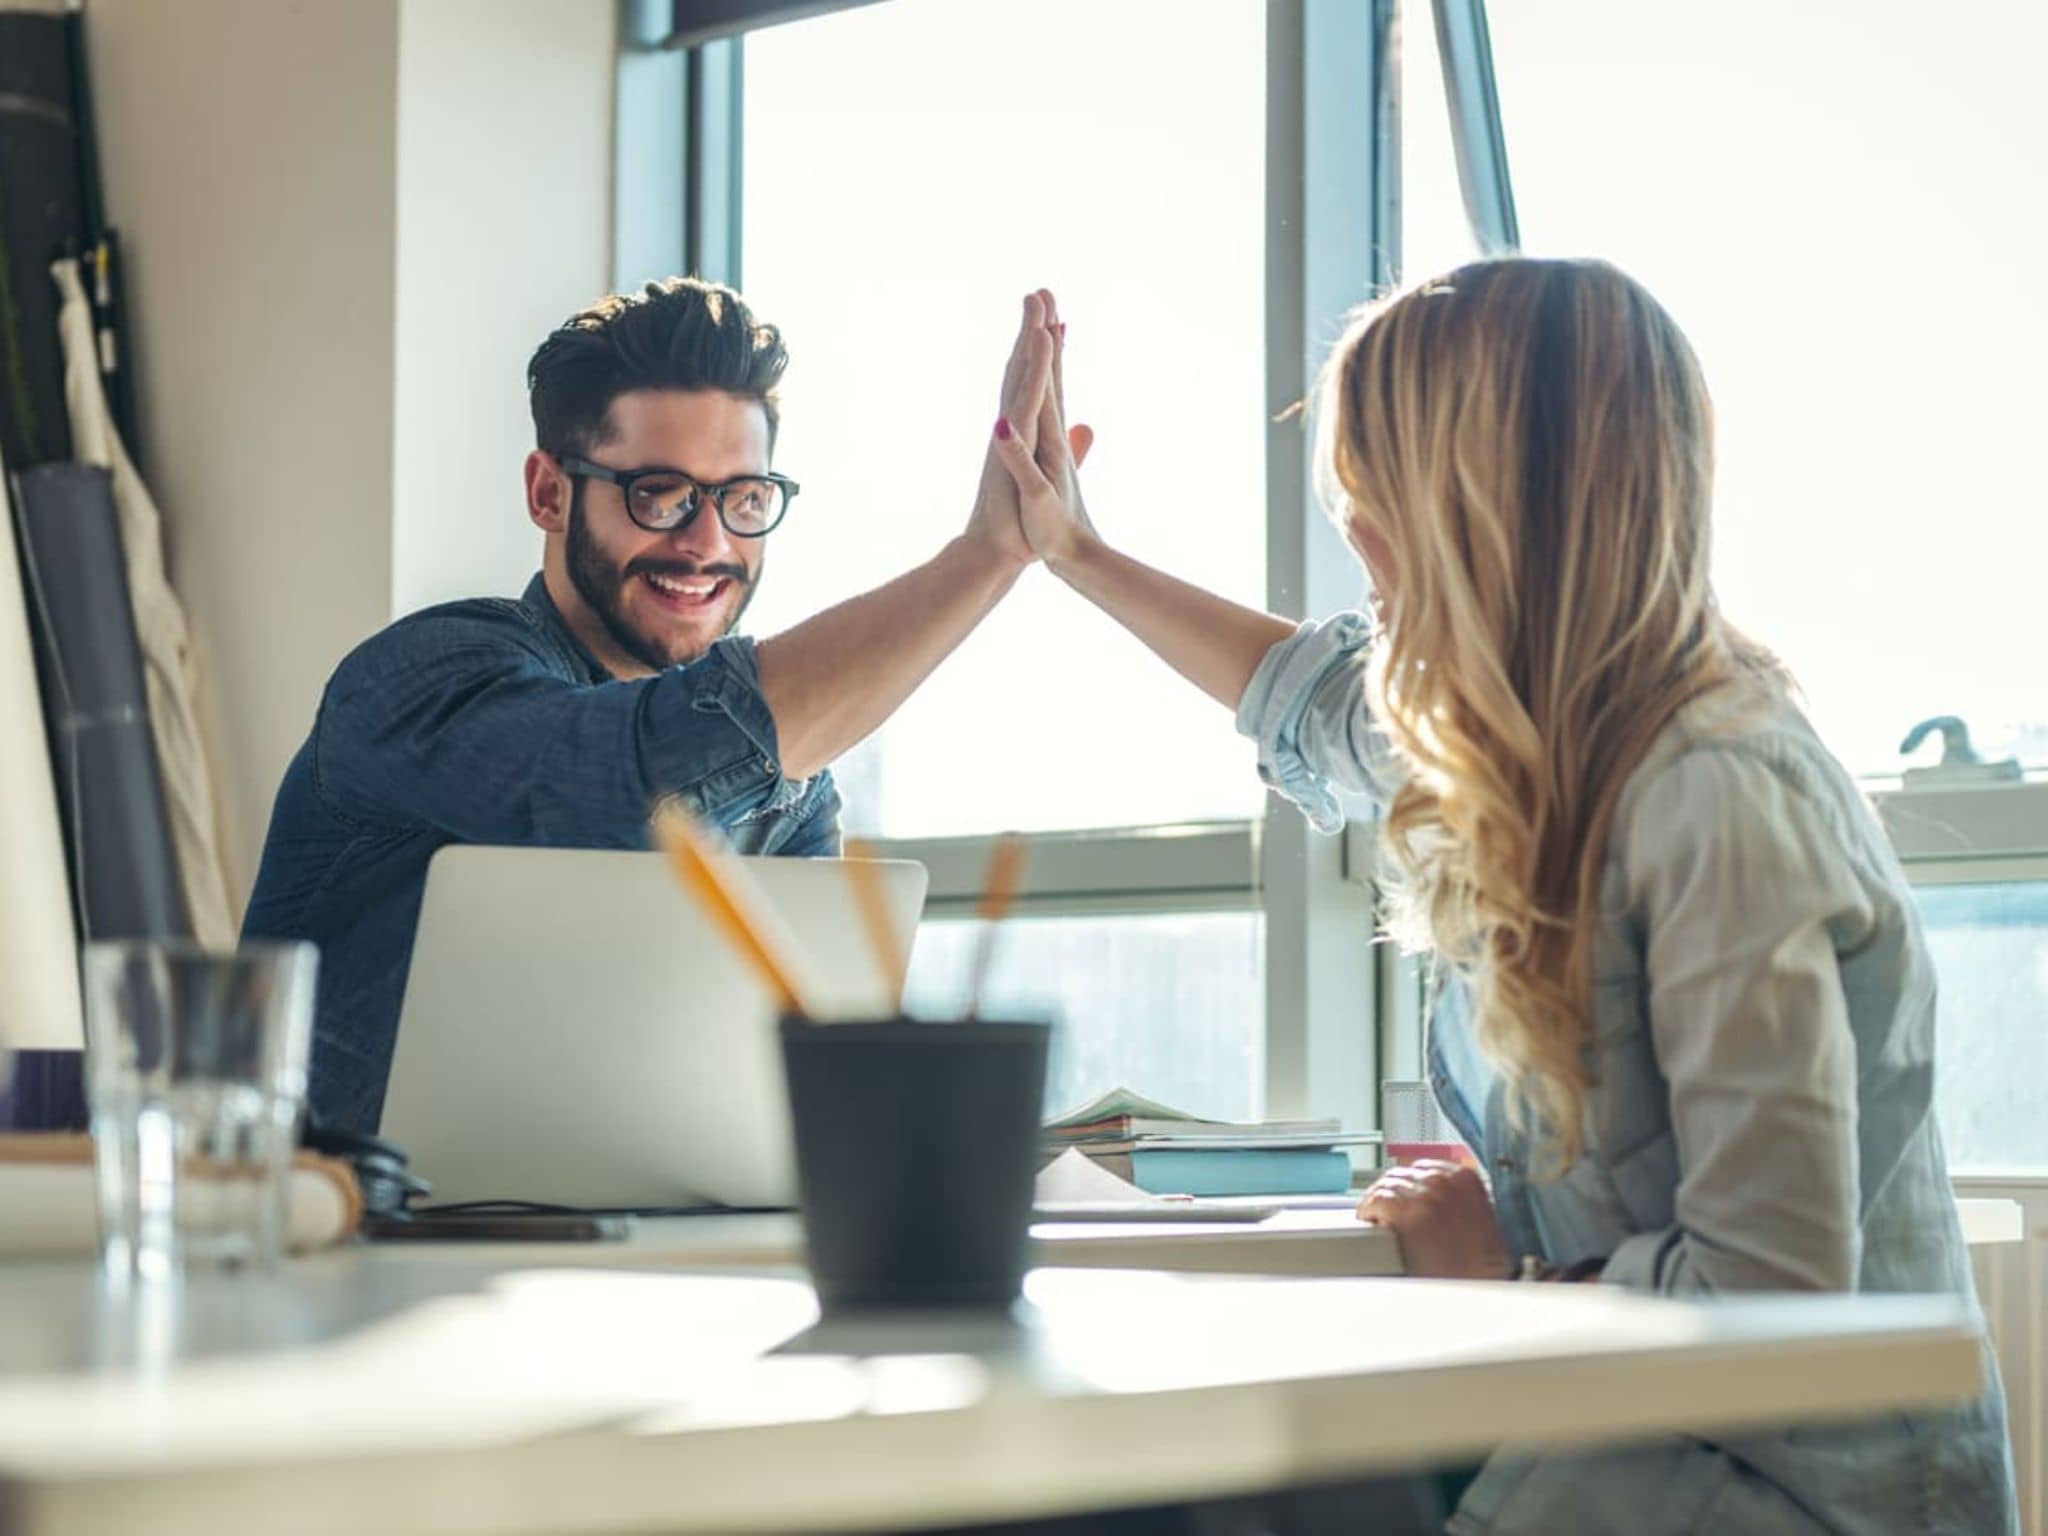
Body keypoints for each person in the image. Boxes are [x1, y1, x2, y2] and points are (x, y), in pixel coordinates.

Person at [989, 257, 2016, 1534]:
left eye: (1373, 493)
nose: (1352, 538)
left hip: (1782, 1499)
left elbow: (1770, 1296)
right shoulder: (1541, 746)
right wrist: (1074, 552)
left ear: (1480, 515)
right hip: (1625, 1450)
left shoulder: (1718, 795)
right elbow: (1307, 699)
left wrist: (1504, 1279)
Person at [244, 278, 1085, 1133]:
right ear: (549, 494)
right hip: (340, 1212)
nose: (707, 544)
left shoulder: (792, 792)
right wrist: (982, 558)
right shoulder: (422, 679)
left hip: (646, 1214)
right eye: (659, 492)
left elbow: (798, 1092)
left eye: (743, 499)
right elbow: (623, 791)